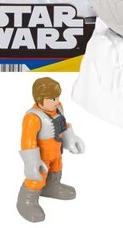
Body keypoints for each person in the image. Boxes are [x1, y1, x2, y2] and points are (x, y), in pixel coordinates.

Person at [17, 77, 85, 223]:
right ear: (40, 99)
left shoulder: (59, 107)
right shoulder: (33, 118)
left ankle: (52, 186)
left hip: (56, 151)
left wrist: (71, 139)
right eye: (52, 98)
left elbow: (63, 125)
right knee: (37, 177)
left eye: (57, 97)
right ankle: (27, 201)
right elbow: (27, 142)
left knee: (57, 168)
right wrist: (32, 163)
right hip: (42, 157)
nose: (56, 101)